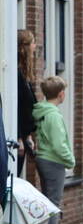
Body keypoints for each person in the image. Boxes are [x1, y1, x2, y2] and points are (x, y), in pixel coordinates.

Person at [33, 76, 77, 224]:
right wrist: (70, 161)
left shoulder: (43, 111)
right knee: (53, 206)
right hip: (53, 162)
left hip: (45, 159)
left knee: (50, 204)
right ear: (61, 94)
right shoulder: (53, 115)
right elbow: (59, 145)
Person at [17, 30, 38, 177]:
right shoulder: (16, 74)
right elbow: (16, 107)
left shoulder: (24, 75)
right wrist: (18, 137)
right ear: (24, 48)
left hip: (24, 138)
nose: (35, 46)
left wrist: (28, 136)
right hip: (17, 141)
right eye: (32, 43)